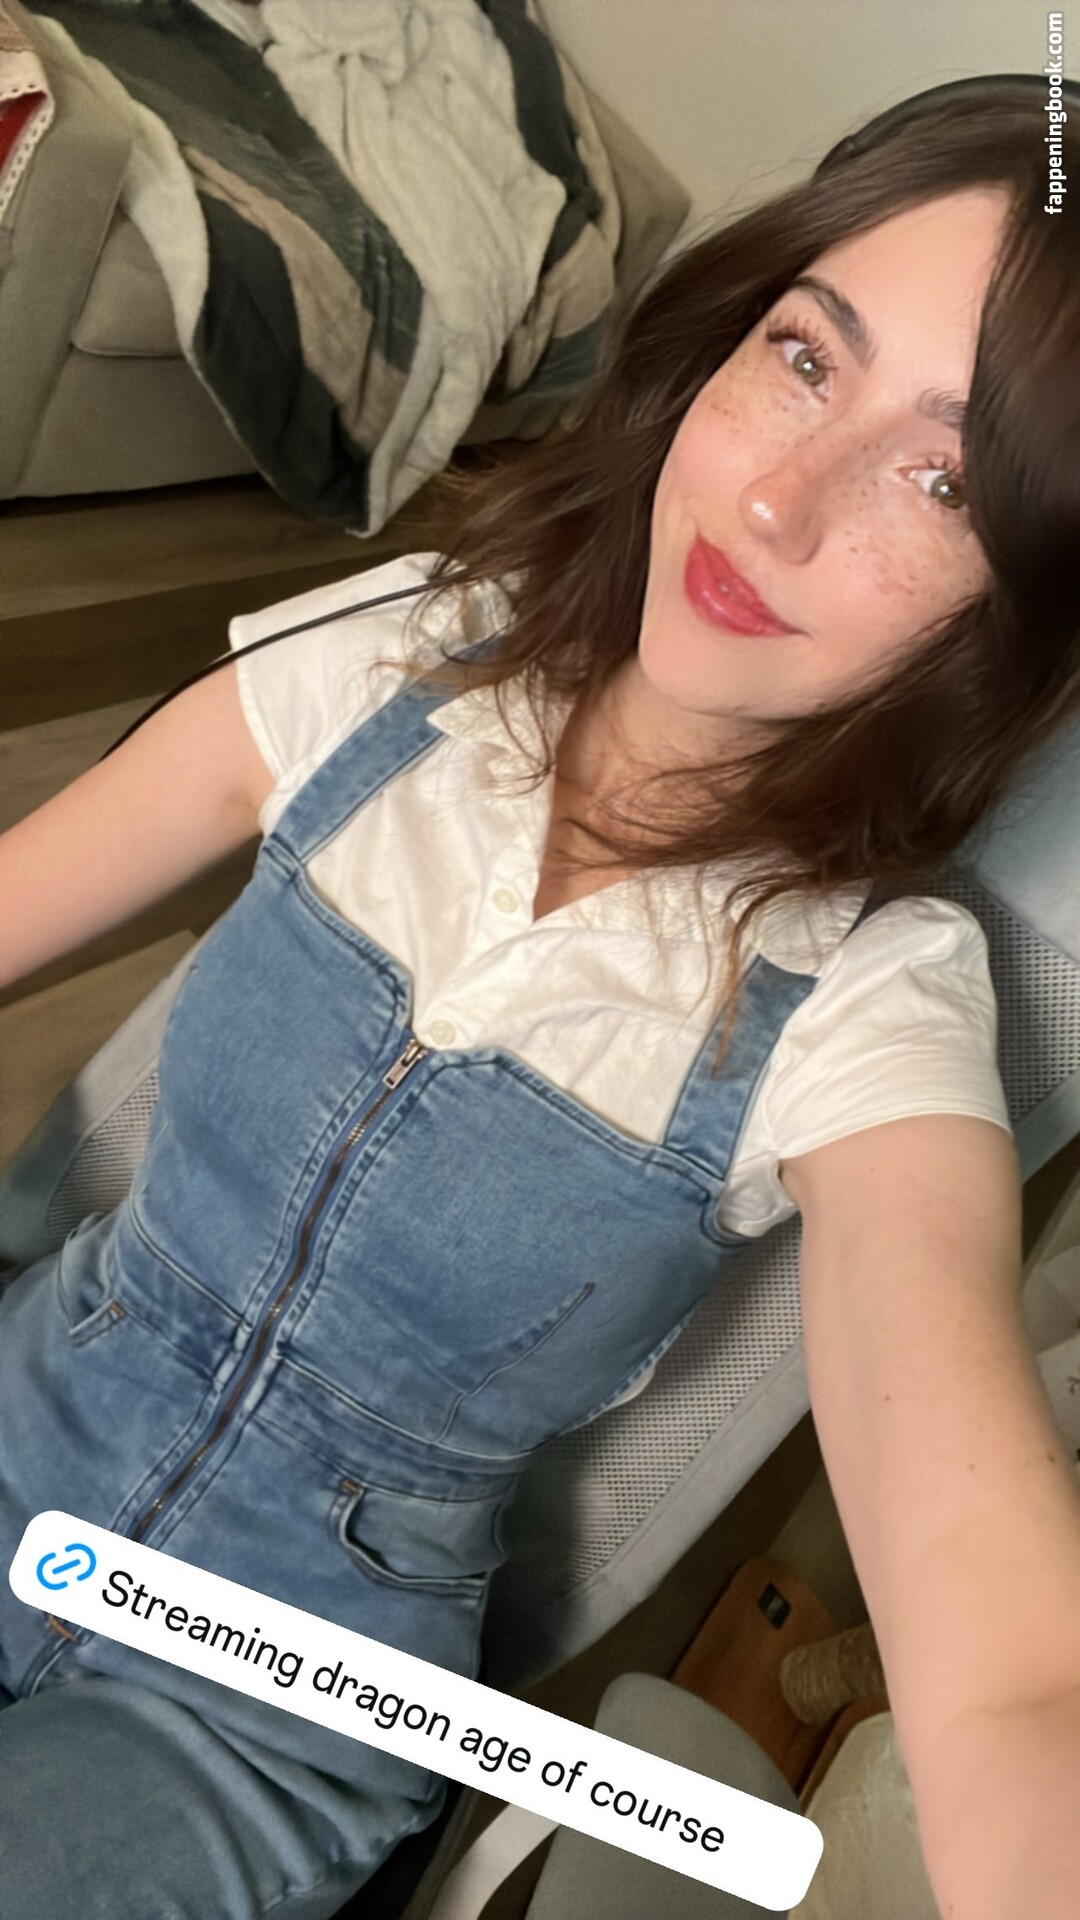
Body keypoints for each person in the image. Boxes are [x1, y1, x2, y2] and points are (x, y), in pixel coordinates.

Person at [1, 77, 1079, 1920]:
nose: (777, 497)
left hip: (264, 1710)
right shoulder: (407, 656)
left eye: (944, 477)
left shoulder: (873, 1006)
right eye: (804, 358)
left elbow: (1009, 1669)